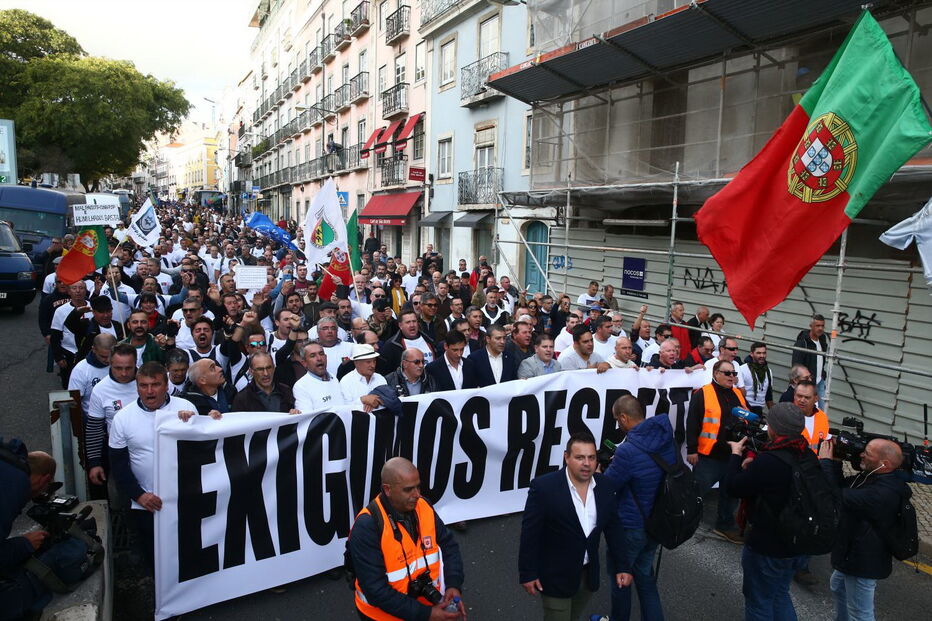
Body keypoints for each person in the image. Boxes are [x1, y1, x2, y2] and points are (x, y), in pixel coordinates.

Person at [518, 432, 629, 621]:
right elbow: (530, 534)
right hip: (555, 578)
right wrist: (527, 573)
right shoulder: (544, 488)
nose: (586, 463)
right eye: (579, 457)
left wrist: (623, 566)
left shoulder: (606, 486)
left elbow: (614, 528)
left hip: (587, 578)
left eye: (591, 457)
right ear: (566, 457)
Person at [108, 362, 206, 573]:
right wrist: (139, 495)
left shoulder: (186, 409)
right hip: (147, 503)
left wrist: (197, 424)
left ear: (166, 385)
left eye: (155, 385)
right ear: (137, 387)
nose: (149, 391)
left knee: (188, 548)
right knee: (153, 554)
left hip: (184, 498)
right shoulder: (122, 419)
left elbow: (204, 449)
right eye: (143, 385)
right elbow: (118, 465)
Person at [348, 457, 465, 621]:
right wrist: (428, 614)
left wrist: (453, 584)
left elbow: (449, 547)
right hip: (383, 617)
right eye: (408, 489)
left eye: (418, 486)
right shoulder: (367, 526)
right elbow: (376, 590)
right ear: (387, 490)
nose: (417, 495)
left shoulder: (424, 506)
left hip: (426, 607)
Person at [724, 403, 811, 621]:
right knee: (780, 594)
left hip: (768, 546)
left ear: (774, 428)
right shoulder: (806, 453)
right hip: (796, 541)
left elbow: (733, 487)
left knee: (759, 601)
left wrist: (735, 455)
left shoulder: (770, 461)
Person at [818, 437, 912, 621]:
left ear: (884, 464)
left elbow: (837, 496)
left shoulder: (882, 492)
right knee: (838, 586)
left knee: (861, 614)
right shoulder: (872, 477)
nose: (861, 454)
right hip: (853, 552)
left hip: (864, 561)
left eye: (867, 453)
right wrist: (836, 462)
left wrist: (826, 464)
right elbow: (843, 487)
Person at [603, 396, 675, 621]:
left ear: (624, 418)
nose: (618, 424)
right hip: (657, 521)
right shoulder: (665, 439)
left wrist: (601, 472)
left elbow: (609, 486)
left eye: (617, 420)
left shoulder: (628, 451)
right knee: (645, 577)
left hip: (631, 526)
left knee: (621, 579)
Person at [685, 359, 749, 543]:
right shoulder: (703, 394)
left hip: (732, 455)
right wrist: (692, 450)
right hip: (709, 456)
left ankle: (725, 525)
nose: (732, 377)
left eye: (734, 373)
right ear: (716, 374)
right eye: (727, 373)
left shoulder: (737, 394)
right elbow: (692, 422)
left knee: (730, 494)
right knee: (697, 492)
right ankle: (685, 519)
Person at [0, 443, 59, 620]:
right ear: (44, 479)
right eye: (44, 489)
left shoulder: (8, 465)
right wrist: (25, 544)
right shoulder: (14, 487)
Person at [85, 344, 139, 487]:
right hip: (119, 454)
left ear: (136, 363)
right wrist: (94, 462)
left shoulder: (151, 380)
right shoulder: (100, 390)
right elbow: (94, 429)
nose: (123, 373)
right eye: (118, 368)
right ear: (110, 364)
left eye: (128, 368)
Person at [368, 348, 437, 416]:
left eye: (423, 362)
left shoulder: (430, 380)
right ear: (405, 364)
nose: (421, 365)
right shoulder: (389, 380)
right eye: (417, 362)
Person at [231, 352, 298, 413]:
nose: (266, 373)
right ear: (251, 372)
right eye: (260, 369)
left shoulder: (286, 391)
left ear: (274, 368)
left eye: (269, 368)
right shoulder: (242, 399)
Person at [293, 341, 347, 414]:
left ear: (326, 357)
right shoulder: (301, 386)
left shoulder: (333, 378)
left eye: (321, 354)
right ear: (304, 363)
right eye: (313, 356)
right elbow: (307, 416)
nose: (319, 358)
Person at [68, 333, 116, 414]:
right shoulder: (81, 370)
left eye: (111, 355)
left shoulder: (123, 365)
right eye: (103, 356)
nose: (108, 360)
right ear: (94, 349)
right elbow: (74, 402)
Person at [791, 314, 828, 406]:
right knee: (808, 410)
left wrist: (822, 374)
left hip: (820, 381)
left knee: (821, 411)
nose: (820, 328)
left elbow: (820, 360)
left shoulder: (822, 339)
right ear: (811, 326)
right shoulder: (802, 342)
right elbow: (796, 366)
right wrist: (802, 384)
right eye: (817, 326)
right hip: (808, 384)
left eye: (822, 326)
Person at [738, 342, 774, 415]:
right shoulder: (742, 369)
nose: (762, 356)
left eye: (764, 353)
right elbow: (737, 392)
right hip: (744, 408)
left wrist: (773, 413)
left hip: (759, 410)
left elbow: (768, 394)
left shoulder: (768, 371)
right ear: (751, 354)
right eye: (758, 353)